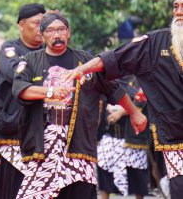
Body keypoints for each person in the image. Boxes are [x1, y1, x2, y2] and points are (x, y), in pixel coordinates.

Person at [12, 10, 147, 199]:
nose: (57, 35)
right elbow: (20, 89)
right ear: (42, 35)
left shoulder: (86, 62)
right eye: (50, 31)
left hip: (79, 141)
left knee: (79, 193)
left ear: (68, 32)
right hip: (43, 144)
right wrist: (50, 92)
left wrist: (134, 113)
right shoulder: (30, 61)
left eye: (61, 29)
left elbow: (114, 89)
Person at [63, 0, 183, 198]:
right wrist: (81, 69)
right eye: (175, 7)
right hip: (175, 136)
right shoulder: (156, 42)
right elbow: (116, 57)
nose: (178, 12)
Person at [0, 3, 45, 199]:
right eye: (37, 23)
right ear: (21, 25)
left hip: (43, 131)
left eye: (44, 23)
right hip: (14, 130)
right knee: (13, 190)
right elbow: (14, 74)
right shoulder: (10, 49)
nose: (42, 28)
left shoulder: (49, 53)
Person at [97, 76, 150, 199]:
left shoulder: (139, 77)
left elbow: (141, 99)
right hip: (109, 136)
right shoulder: (108, 77)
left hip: (132, 138)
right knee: (105, 179)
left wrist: (120, 113)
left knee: (138, 180)